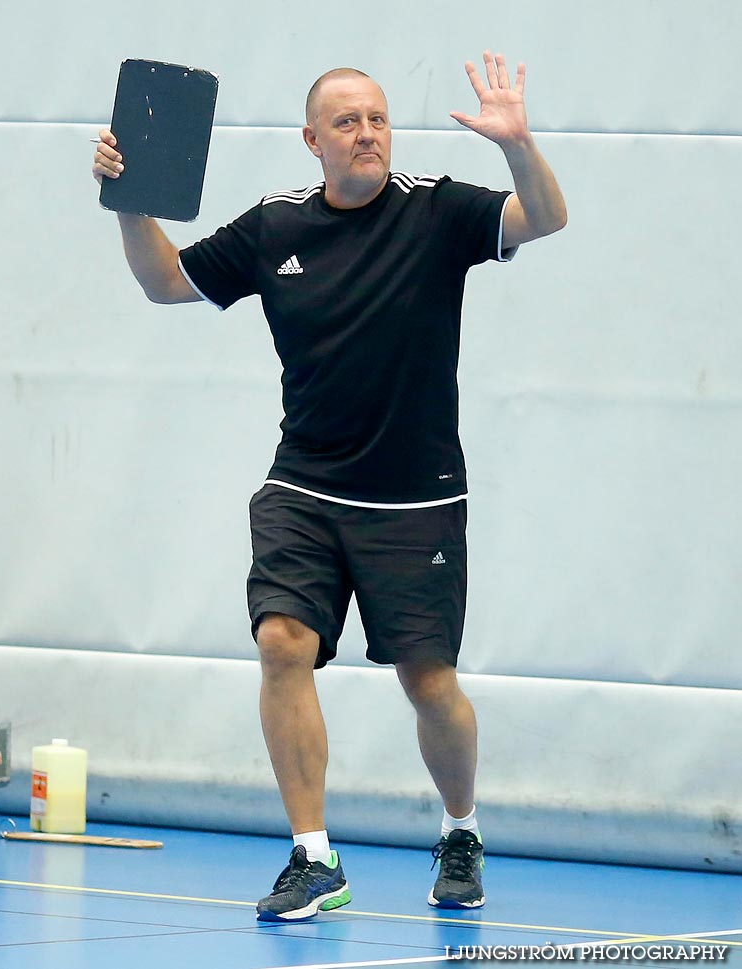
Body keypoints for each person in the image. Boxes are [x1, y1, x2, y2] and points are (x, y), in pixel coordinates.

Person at [92, 53, 566, 920]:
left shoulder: (438, 211)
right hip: (304, 486)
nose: (368, 134)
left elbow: (544, 216)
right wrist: (130, 201)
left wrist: (518, 144)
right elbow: (165, 281)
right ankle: (314, 859)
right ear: (314, 141)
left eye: (378, 118)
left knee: (430, 684)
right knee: (281, 642)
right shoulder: (275, 229)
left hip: (415, 498)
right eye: (347, 122)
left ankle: (461, 828)